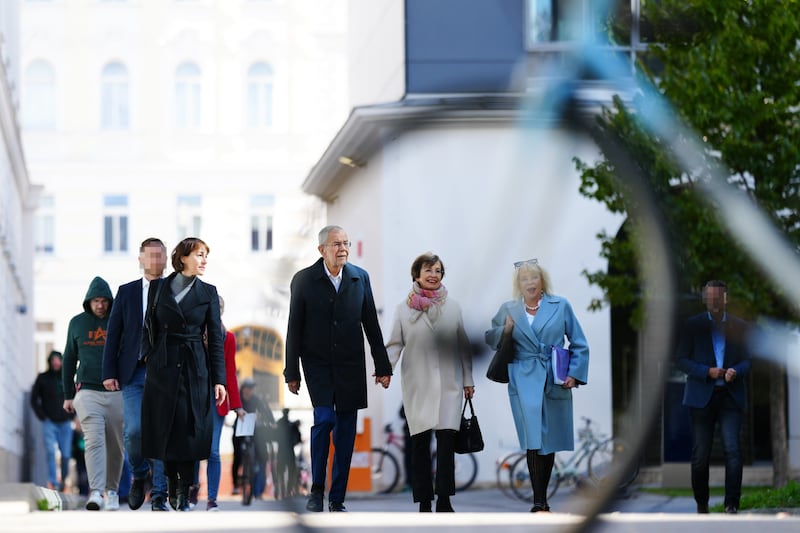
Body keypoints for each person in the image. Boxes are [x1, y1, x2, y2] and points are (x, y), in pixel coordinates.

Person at [284, 225, 392, 513]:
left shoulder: (360, 278)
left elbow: (371, 323)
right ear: (322, 250)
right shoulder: (304, 280)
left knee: (345, 429)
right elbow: (294, 327)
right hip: (317, 363)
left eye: (345, 243)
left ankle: (338, 497)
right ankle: (317, 489)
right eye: (336, 244)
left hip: (350, 364)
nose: (342, 248)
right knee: (324, 420)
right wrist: (291, 371)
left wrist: (383, 366)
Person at [484, 259, 589, 513]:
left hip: (554, 375)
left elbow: (579, 342)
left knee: (548, 439)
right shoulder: (509, 308)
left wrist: (574, 374)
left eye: (534, 278)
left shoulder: (560, 305)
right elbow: (490, 337)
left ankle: (542, 498)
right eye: (524, 279)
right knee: (533, 438)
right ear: (518, 285)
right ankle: (538, 501)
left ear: (542, 281)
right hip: (523, 376)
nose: (530, 282)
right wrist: (505, 330)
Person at [140, 237, 227, 512]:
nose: (203, 261)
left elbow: (214, 339)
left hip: (194, 367)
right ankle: (169, 485)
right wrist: (148, 358)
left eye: (205, 256)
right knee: (164, 428)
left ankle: (183, 489)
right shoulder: (157, 287)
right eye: (199, 255)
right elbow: (148, 327)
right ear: (184, 257)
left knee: (190, 430)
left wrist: (219, 379)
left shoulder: (209, 292)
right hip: (163, 366)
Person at [385, 252, 474, 512]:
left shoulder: (454, 307)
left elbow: (464, 346)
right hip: (418, 384)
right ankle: (424, 500)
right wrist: (385, 371)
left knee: (446, 445)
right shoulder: (403, 309)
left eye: (437, 271)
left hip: (450, 384)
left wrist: (468, 380)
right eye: (428, 270)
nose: (433, 275)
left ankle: (444, 499)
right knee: (420, 444)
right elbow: (394, 344)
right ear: (417, 275)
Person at [101, 237, 170, 511]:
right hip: (133, 373)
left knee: (162, 434)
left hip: (165, 373)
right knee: (133, 431)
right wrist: (109, 371)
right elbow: (114, 334)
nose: (155, 261)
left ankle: (159, 495)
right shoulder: (126, 292)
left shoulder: (175, 289)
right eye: (150, 256)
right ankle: (140, 474)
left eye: (159, 256)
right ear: (140, 259)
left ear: (166, 259)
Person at [675, 280, 752, 515]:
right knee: (700, 456)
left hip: (730, 396)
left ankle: (732, 504)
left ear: (726, 299)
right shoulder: (692, 326)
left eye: (719, 297)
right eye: (711, 297)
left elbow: (748, 360)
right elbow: (681, 360)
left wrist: (736, 370)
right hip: (701, 397)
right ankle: (702, 504)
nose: (715, 302)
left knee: (733, 450)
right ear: (705, 299)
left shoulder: (740, 326)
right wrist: (706, 371)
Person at [62, 276, 125, 511]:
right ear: (88, 301)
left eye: (104, 301)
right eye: (95, 301)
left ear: (110, 301)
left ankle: (112, 491)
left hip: (116, 391)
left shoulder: (119, 321)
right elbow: (69, 358)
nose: (100, 305)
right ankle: (96, 491)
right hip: (87, 391)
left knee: (116, 445)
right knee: (93, 440)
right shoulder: (77, 323)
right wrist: (68, 394)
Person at [189, 294, 244, 511]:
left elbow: (230, 372)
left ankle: (211, 499)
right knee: (193, 449)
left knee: (212, 450)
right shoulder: (192, 334)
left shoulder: (227, 338)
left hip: (217, 400)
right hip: (193, 397)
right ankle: (193, 490)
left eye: (217, 308)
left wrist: (237, 404)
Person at [30, 350, 73, 492]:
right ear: (49, 361)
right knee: (50, 451)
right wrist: (42, 415)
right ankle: (53, 482)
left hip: (65, 423)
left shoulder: (66, 378)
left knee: (66, 455)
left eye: (58, 360)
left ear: (61, 361)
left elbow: (76, 397)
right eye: (53, 360)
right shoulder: (42, 378)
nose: (56, 362)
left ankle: (63, 480)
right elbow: (33, 399)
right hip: (49, 422)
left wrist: (73, 415)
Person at [238, 378, 276, 500]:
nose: (250, 390)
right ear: (243, 388)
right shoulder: (238, 399)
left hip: (256, 430)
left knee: (262, 459)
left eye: (252, 388)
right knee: (237, 454)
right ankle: (239, 479)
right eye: (248, 388)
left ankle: (258, 491)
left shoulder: (256, 399)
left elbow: (265, 411)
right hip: (241, 429)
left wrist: (271, 422)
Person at [274, 407, 302, 500]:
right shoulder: (291, 425)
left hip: (281, 452)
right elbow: (298, 439)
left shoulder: (279, 424)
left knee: (280, 473)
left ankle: (282, 491)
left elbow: (273, 437)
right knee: (291, 472)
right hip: (289, 452)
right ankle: (288, 491)